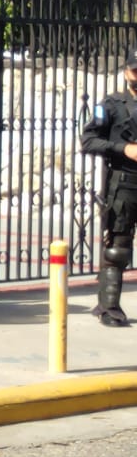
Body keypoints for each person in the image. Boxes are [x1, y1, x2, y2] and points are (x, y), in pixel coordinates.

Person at [80, 47, 137, 328]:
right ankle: (109, 307)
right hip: (124, 184)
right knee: (117, 248)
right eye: (136, 70)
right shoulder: (112, 104)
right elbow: (88, 140)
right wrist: (123, 148)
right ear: (127, 72)